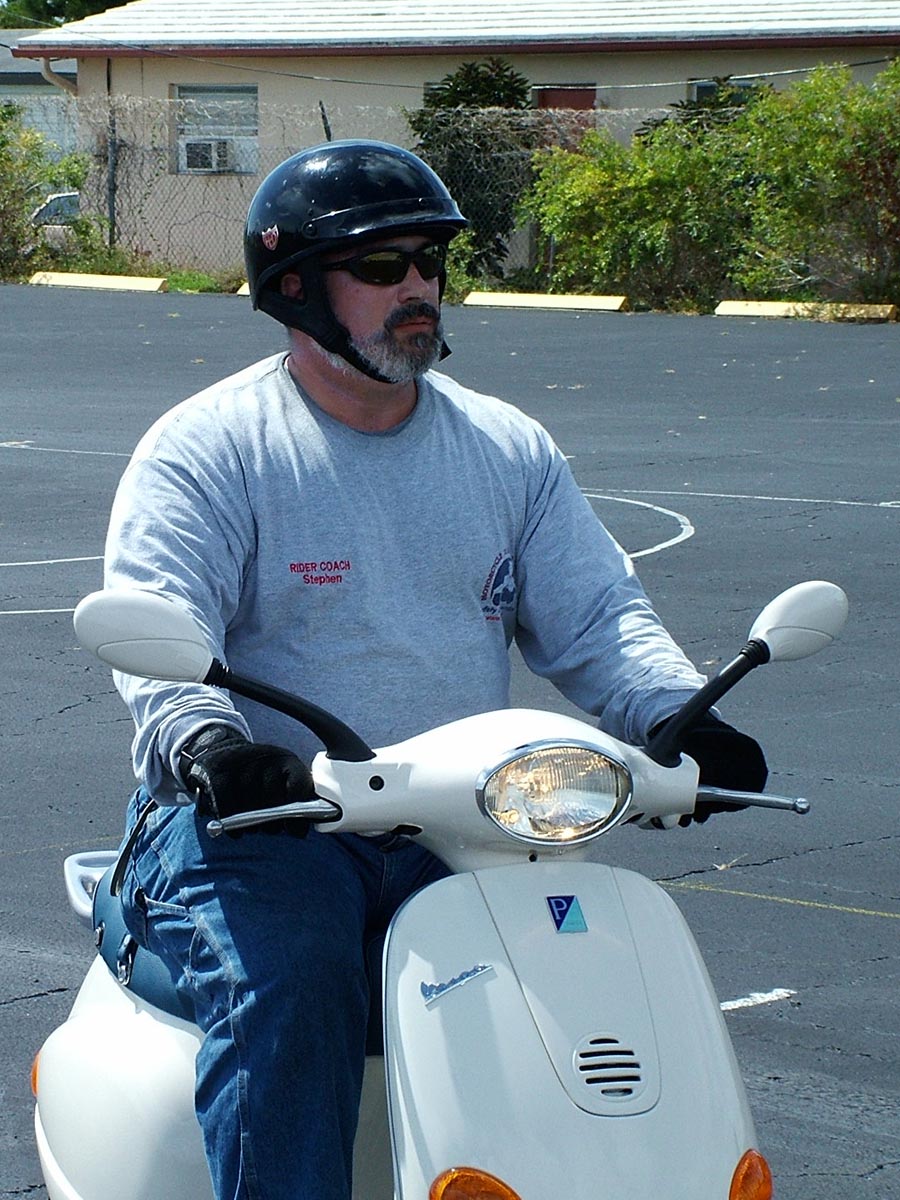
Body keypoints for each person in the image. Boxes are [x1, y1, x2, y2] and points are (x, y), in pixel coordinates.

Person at [104, 139, 767, 1200]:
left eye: (429, 261)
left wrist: (678, 715)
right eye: (381, 265)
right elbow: (163, 632)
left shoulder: (506, 448)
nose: (418, 286)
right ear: (295, 291)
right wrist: (211, 745)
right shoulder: (211, 449)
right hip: (267, 824)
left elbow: (600, 618)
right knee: (292, 980)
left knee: (589, 971)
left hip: (462, 817)